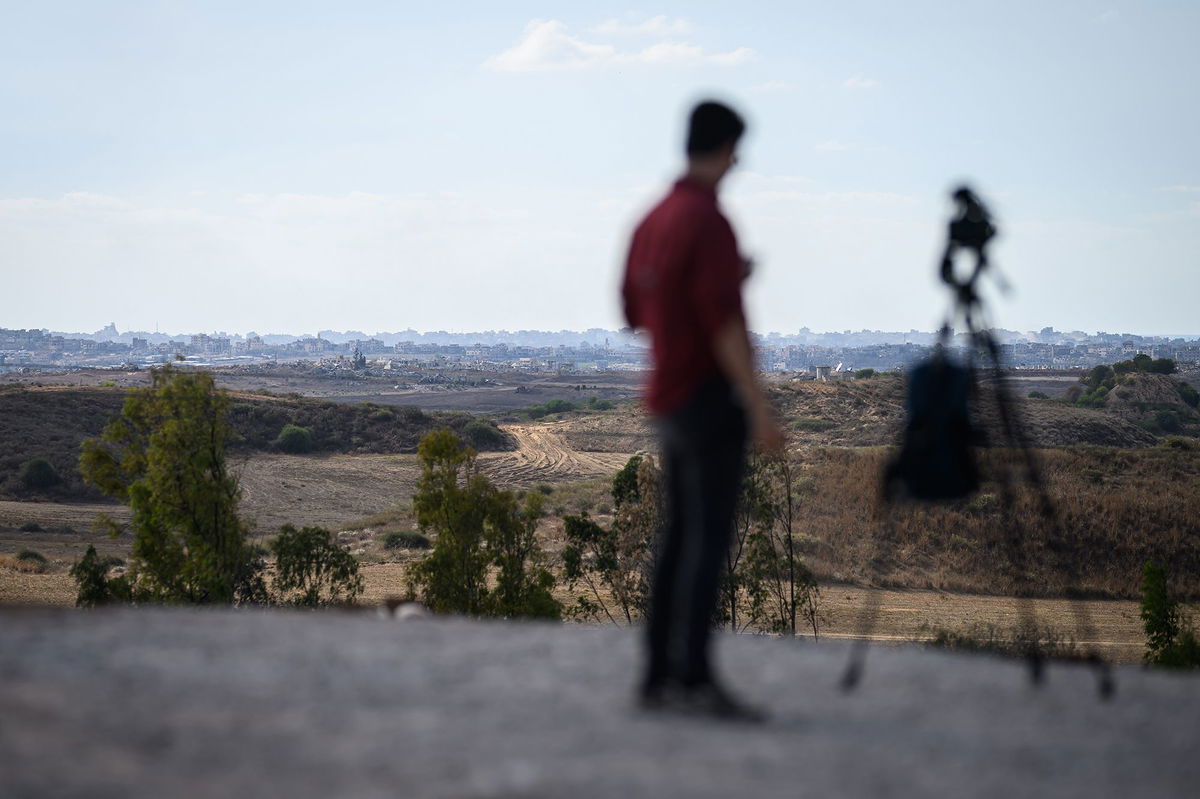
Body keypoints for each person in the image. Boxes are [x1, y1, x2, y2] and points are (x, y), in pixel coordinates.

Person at [621, 100, 785, 720]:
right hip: (709, 397)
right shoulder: (709, 221)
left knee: (677, 535)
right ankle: (694, 676)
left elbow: (635, 312)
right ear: (724, 148)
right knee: (708, 540)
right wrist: (759, 405)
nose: (739, 160)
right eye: (737, 148)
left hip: (666, 395)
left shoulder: (654, 219)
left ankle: (659, 673)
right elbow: (723, 325)